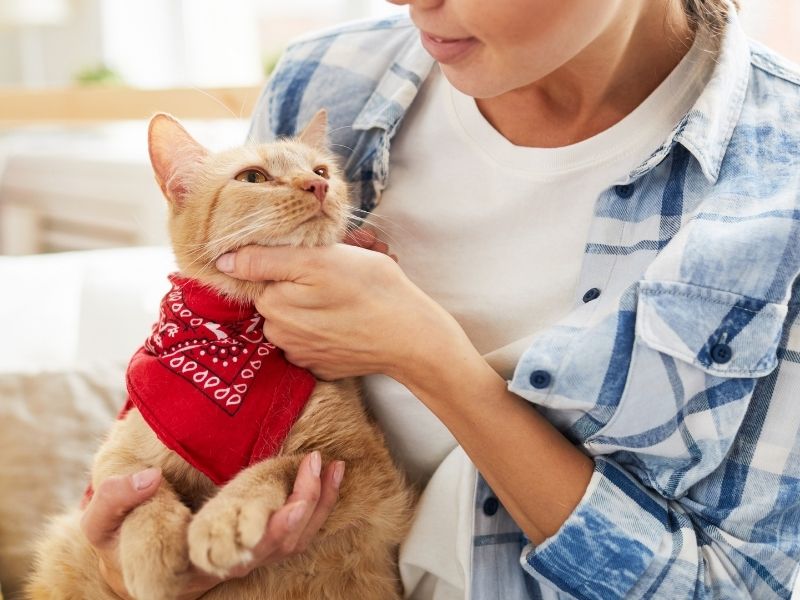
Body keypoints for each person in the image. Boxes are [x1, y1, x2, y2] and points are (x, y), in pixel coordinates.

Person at [81, 0, 800, 598]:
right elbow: (208, 376)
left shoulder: (780, 185)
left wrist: (426, 356)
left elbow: (728, 584)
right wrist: (150, 562)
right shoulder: (326, 78)